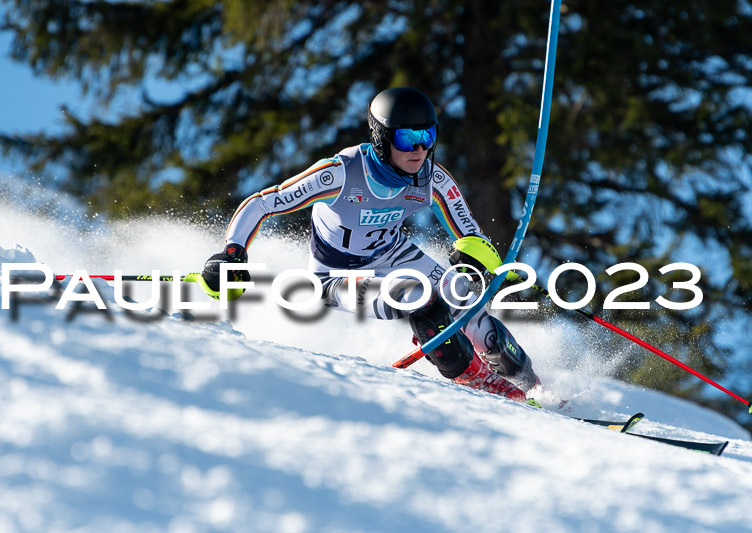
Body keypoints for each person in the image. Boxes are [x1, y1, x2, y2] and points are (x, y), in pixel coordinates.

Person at [202, 87, 540, 402]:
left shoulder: (431, 178)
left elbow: (470, 234)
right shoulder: (341, 174)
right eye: (408, 139)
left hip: (393, 253)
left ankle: (534, 387)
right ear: (381, 138)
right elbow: (265, 203)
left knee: (465, 300)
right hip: (335, 276)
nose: (420, 150)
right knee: (419, 296)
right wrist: (232, 252)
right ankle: (488, 388)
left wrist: (482, 257)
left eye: (428, 136)